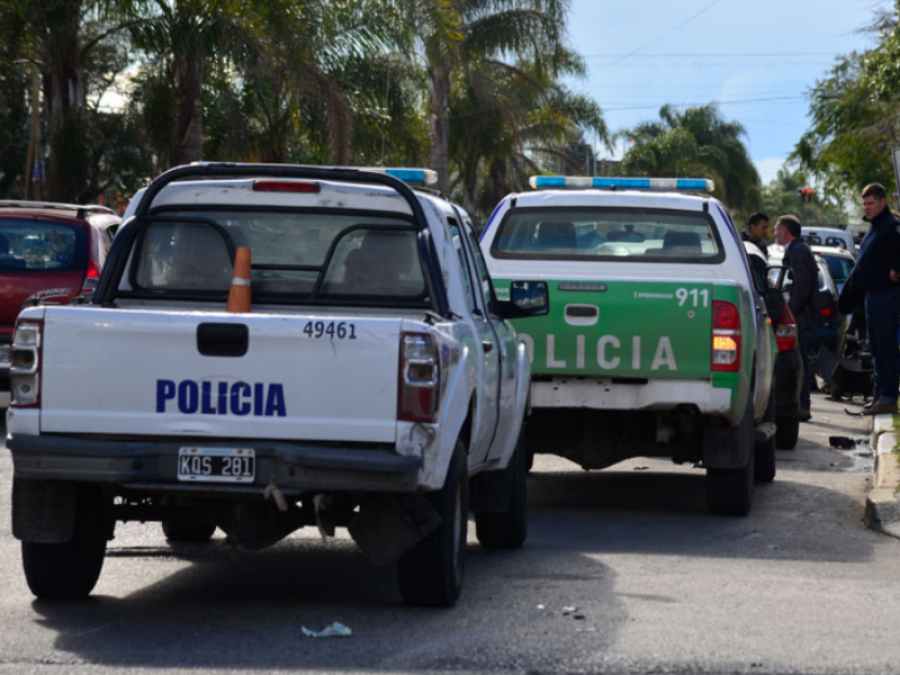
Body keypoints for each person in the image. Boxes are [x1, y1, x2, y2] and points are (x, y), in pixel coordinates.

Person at [846, 183, 900, 415]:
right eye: (864, 204)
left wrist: (896, 269)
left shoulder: (892, 225)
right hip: (872, 296)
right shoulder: (876, 226)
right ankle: (879, 395)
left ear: (882, 202)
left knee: (886, 347)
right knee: (876, 348)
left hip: (887, 296)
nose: (867, 208)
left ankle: (888, 397)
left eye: (871, 203)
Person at [774, 215, 822, 421]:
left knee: (798, 362)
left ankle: (802, 406)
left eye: (776, 229)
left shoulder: (799, 252)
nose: (774, 233)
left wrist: (788, 314)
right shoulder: (796, 250)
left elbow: (801, 288)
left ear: (785, 232)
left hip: (800, 318)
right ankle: (801, 406)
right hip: (799, 317)